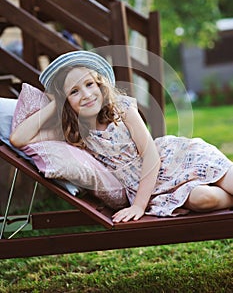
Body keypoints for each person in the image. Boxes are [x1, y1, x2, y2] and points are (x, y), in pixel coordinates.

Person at [10, 50, 233, 222]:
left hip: (170, 159)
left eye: (89, 84)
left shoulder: (122, 109)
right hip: (152, 188)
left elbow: (151, 156)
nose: (87, 95)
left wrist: (138, 206)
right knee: (206, 199)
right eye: (74, 92)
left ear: (100, 85)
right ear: (66, 101)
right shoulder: (72, 133)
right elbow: (18, 139)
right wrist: (55, 103)